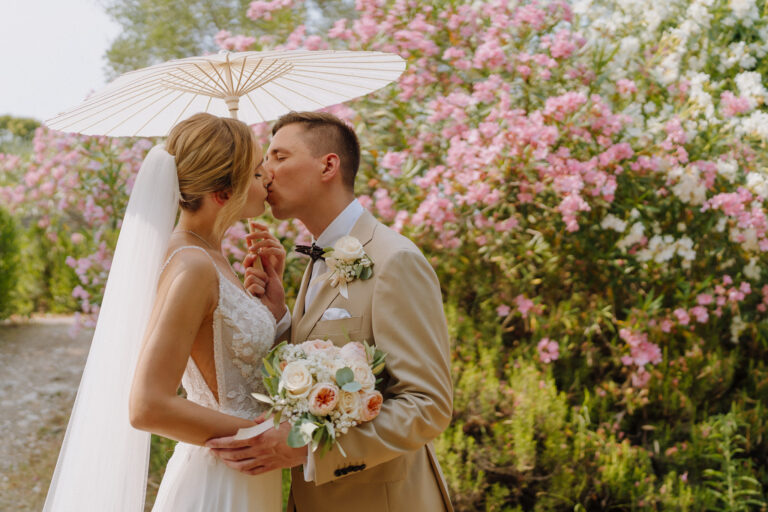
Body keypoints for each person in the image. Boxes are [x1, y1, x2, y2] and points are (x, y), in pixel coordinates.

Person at [206, 111, 455, 512]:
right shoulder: (319, 256)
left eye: (279, 157)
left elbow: (427, 405)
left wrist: (305, 448)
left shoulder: (394, 261)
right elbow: (318, 362)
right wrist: (279, 315)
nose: (265, 173)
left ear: (328, 165)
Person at [43, 113, 289, 511]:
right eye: (258, 173)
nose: (268, 180)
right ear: (224, 192)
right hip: (221, 478)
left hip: (245, 470)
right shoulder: (192, 266)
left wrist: (271, 308)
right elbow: (148, 406)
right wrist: (266, 434)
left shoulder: (210, 257)